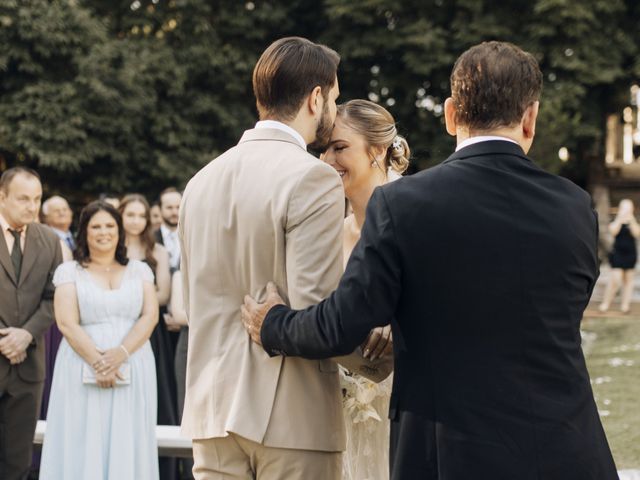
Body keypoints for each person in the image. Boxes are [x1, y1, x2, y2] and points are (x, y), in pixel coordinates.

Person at [241, 41, 618, 479]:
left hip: (452, 456)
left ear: (451, 114)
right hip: (568, 453)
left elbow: (342, 324)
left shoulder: (402, 205)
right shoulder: (576, 207)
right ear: (530, 118)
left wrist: (273, 324)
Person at [179, 36, 347, 479]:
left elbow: (194, 305)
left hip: (212, 415)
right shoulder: (313, 178)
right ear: (315, 99)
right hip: (292, 416)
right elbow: (317, 311)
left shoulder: (199, 182)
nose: (334, 108)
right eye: (334, 97)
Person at [320, 99, 409, 480]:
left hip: (404, 405)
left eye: (339, 147)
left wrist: (402, 320)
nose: (326, 160)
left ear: (377, 151)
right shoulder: (332, 233)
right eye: (322, 148)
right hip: (338, 408)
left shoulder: (413, 215)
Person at [40, 201, 159, 479]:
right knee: (82, 435)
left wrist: (120, 354)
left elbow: (150, 316)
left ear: (119, 231)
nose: (103, 232)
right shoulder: (69, 271)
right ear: (84, 232)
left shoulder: (140, 270)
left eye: (109, 226)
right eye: (95, 226)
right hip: (81, 362)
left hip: (134, 360)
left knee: (129, 435)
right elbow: (67, 322)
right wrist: (99, 363)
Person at [0, 167, 62, 480]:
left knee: (18, 461)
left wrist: (26, 334)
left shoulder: (50, 240)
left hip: (28, 367)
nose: (32, 206)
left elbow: (55, 297)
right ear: (2, 197)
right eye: (23, 198)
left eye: (37, 199)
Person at [119, 193, 179, 480]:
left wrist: (129, 302)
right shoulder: (112, 248)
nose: (134, 220)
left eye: (140, 215)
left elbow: (164, 293)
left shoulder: (157, 251)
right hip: (116, 329)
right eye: (129, 214)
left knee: (156, 397)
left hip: (150, 332)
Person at [168, 270, 194, 480]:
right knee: (186, 412)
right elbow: (178, 314)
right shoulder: (179, 275)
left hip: (224, 346)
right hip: (189, 346)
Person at [599, 198, 640, 313]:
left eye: (628, 207)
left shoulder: (633, 222)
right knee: (615, 279)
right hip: (618, 253)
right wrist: (620, 218)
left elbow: (637, 233)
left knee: (628, 281)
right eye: (624, 207)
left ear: (632, 209)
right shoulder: (616, 221)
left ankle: (625, 305)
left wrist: (630, 219)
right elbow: (613, 231)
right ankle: (606, 303)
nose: (626, 210)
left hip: (630, 254)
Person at [156, 188, 182, 273]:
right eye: (169, 207)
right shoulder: (150, 238)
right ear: (160, 209)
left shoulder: (193, 238)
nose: (175, 212)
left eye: (178, 207)